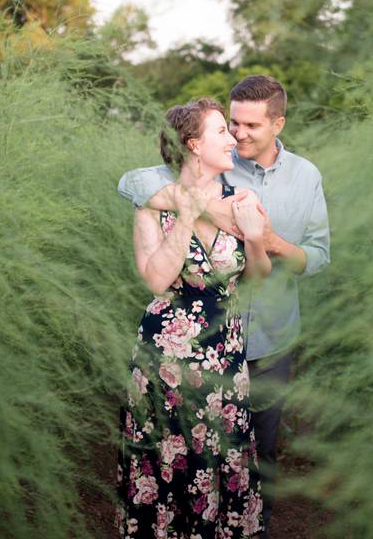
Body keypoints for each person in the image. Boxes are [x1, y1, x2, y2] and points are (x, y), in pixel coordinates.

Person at [118, 76, 330, 538]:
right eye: (229, 124)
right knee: (173, 456)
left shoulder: (300, 178)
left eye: (248, 125)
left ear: (278, 123)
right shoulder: (201, 177)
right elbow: (132, 182)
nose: (237, 135)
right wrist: (193, 206)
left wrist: (267, 240)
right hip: (176, 354)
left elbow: (315, 258)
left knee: (251, 451)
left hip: (260, 341)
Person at [116, 97, 271, 538]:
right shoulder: (152, 206)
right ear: (193, 145)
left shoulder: (241, 201)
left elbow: (256, 277)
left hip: (225, 358)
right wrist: (185, 215)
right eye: (221, 130)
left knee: (224, 458)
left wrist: (256, 239)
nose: (233, 137)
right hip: (165, 363)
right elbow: (157, 279)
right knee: (167, 458)